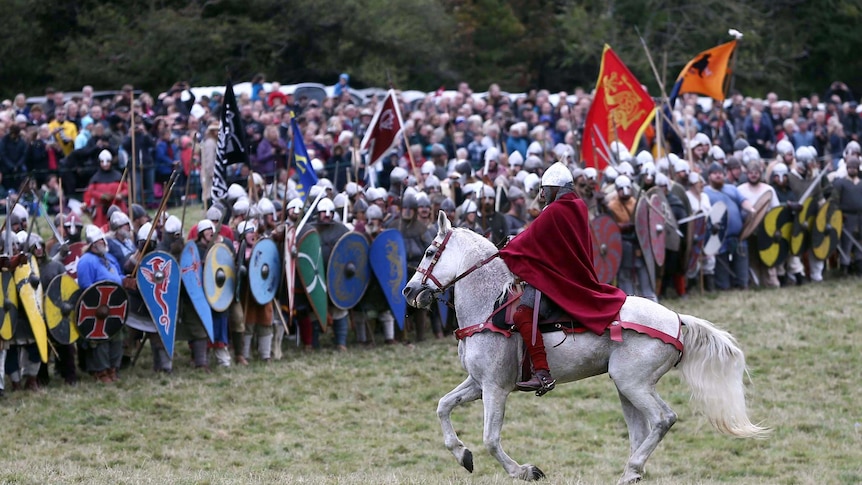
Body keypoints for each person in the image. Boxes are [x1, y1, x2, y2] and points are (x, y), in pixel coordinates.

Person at [499, 162, 627, 395]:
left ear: (554, 188)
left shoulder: (558, 210)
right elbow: (545, 241)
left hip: (556, 280)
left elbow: (530, 238)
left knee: (523, 313)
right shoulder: (576, 206)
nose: (542, 195)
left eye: (544, 189)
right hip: (561, 272)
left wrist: (506, 249)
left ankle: (542, 373)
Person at [76, 225, 131, 383]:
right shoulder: (86, 261)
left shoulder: (108, 258)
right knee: (100, 341)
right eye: (99, 241)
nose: (102, 243)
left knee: (116, 338)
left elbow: (117, 274)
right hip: (97, 309)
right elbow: (86, 288)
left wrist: (124, 280)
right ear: (92, 244)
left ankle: (113, 369)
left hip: (114, 305)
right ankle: (101, 371)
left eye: (102, 240)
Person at [82, 150, 128, 228]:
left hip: (118, 206)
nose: (105, 165)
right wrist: (101, 196)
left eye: (107, 162)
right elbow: (90, 191)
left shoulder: (118, 175)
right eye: (102, 162)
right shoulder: (95, 177)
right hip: (101, 211)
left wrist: (121, 195)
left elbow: (126, 189)